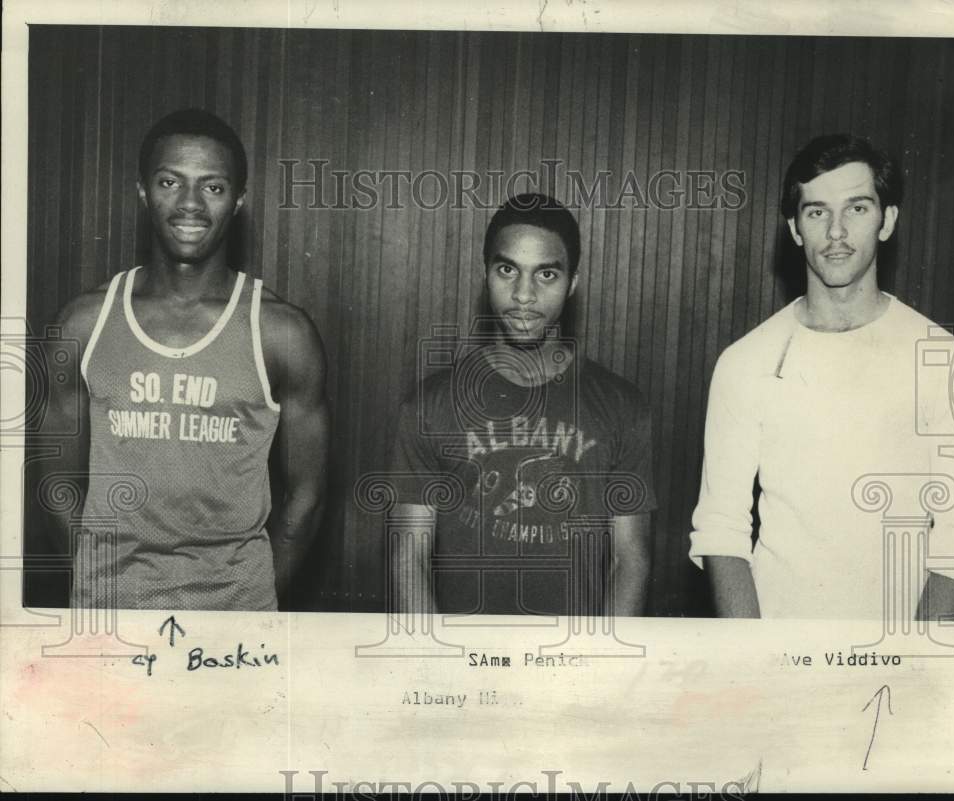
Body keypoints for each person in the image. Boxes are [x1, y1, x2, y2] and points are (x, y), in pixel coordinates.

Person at [41, 108, 329, 611]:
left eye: (213, 187)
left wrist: (248, 604)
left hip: (233, 619)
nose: (190, 203)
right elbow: (55, 486)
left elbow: (306, 501)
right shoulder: (83, 324)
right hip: (110, 613)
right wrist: (98, 589)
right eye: (170, 182)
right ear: (142, 192)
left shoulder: (280, 332)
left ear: (238, 200)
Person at [689, 134, 954, 619]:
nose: (837, 231)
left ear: (888, 221)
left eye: (857, 209)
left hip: (898, 653)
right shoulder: (746, 361)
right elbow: (721, 529)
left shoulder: (945, 361)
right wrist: (752, 660)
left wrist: (915, 670)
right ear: (795, 228)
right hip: (778, 650)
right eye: (817, 212)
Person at [389, 193, 657, 616]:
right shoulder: (430, 405)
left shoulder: (621, 407)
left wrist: (604, 672)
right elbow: (410, 557)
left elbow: (631, 558)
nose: (523, 294)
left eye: (546, 274)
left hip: (571, 667)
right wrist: (436, 667)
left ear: (573, 283)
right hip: (466, 663)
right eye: (507, 270)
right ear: (486, 274)